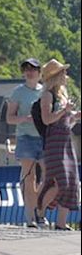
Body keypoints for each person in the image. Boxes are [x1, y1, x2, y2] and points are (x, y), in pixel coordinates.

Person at [34, 59, 79, 229]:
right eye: (63, 73)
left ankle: (61, 223)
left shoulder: (62, 94)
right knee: (59, 181)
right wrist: (64, 111)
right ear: (56, 76)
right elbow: (47, 119)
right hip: (54, 143)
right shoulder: (47, 95)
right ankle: (40, 212)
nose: (66, 76)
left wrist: (74, 115)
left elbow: (66, 119)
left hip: (66, 142)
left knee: (71, 182)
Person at [7, 59, 45, 226]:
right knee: (29, 178)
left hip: (44, 138)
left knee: (49, 177)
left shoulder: (45, 91)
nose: (29, 72)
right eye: (26, 69)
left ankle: (40, 210)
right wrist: (25, 118)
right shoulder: (18, 92)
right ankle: (30, 217)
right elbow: (9, 118)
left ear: (39, 73)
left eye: (33, 69)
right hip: (26, 138)